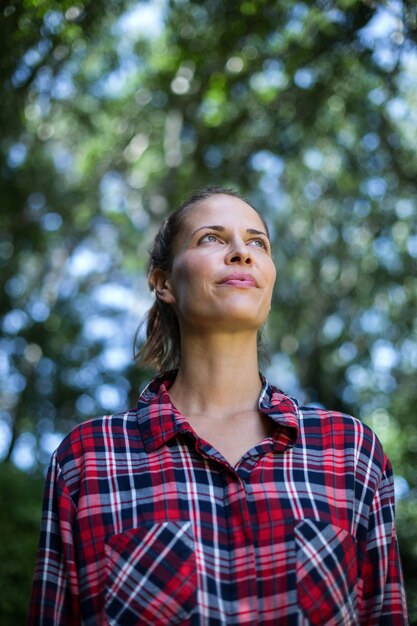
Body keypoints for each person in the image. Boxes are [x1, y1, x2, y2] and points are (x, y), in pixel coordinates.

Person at [29, 187, 408, 625]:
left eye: (257, 242)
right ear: (163, 282)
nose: (241, 253)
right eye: (211, 237)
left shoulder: (351, 452)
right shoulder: (88, 460)